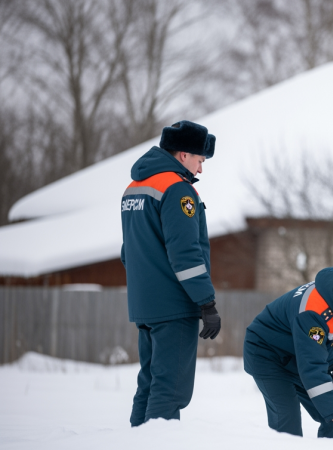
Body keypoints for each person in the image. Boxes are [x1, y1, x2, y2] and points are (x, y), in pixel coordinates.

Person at [120, 120, 222, 427]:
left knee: (150, 384)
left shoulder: (134, 188)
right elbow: (186, 254)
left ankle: (135, 442)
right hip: (174, 306)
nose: (201, 170)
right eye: (200, 160)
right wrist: (206, 302)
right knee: (170, 390)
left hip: (145, 305)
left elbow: (129, 252)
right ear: (183, 155)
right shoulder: (179, 190)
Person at [244, 267, 333, 439]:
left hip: (301, 358)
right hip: (268, 354)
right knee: (288, 420)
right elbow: (313, 369)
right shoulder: (314, 312)